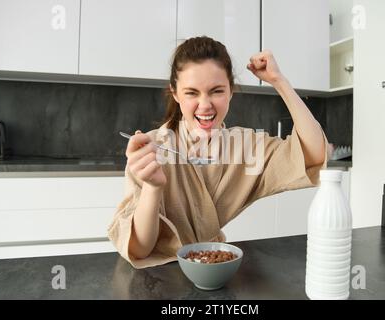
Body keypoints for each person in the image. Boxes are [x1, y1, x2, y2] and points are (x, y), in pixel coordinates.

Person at [108, 36, 327, 269]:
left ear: (231, 91)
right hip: (160, 276)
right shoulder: (150, 150)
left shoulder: (246, 148)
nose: (205, 105)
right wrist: (153, 187)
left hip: (214, 269)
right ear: (175, 93)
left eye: (216, 91)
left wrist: (279, 81)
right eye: (192, 93)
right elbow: (140, 249)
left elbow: (313, 154)